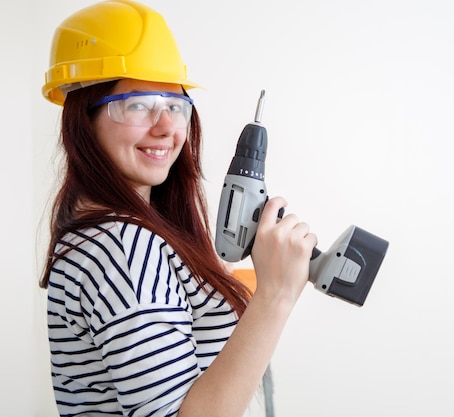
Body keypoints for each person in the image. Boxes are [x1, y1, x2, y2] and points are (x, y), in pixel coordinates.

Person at [39, 1, 317, 416]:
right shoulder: (123, 252)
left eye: (175, 104)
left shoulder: (101, 237)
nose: (167, 127)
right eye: (137, 103)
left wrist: (220, 289)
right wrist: (275, 296)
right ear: (84, 118)